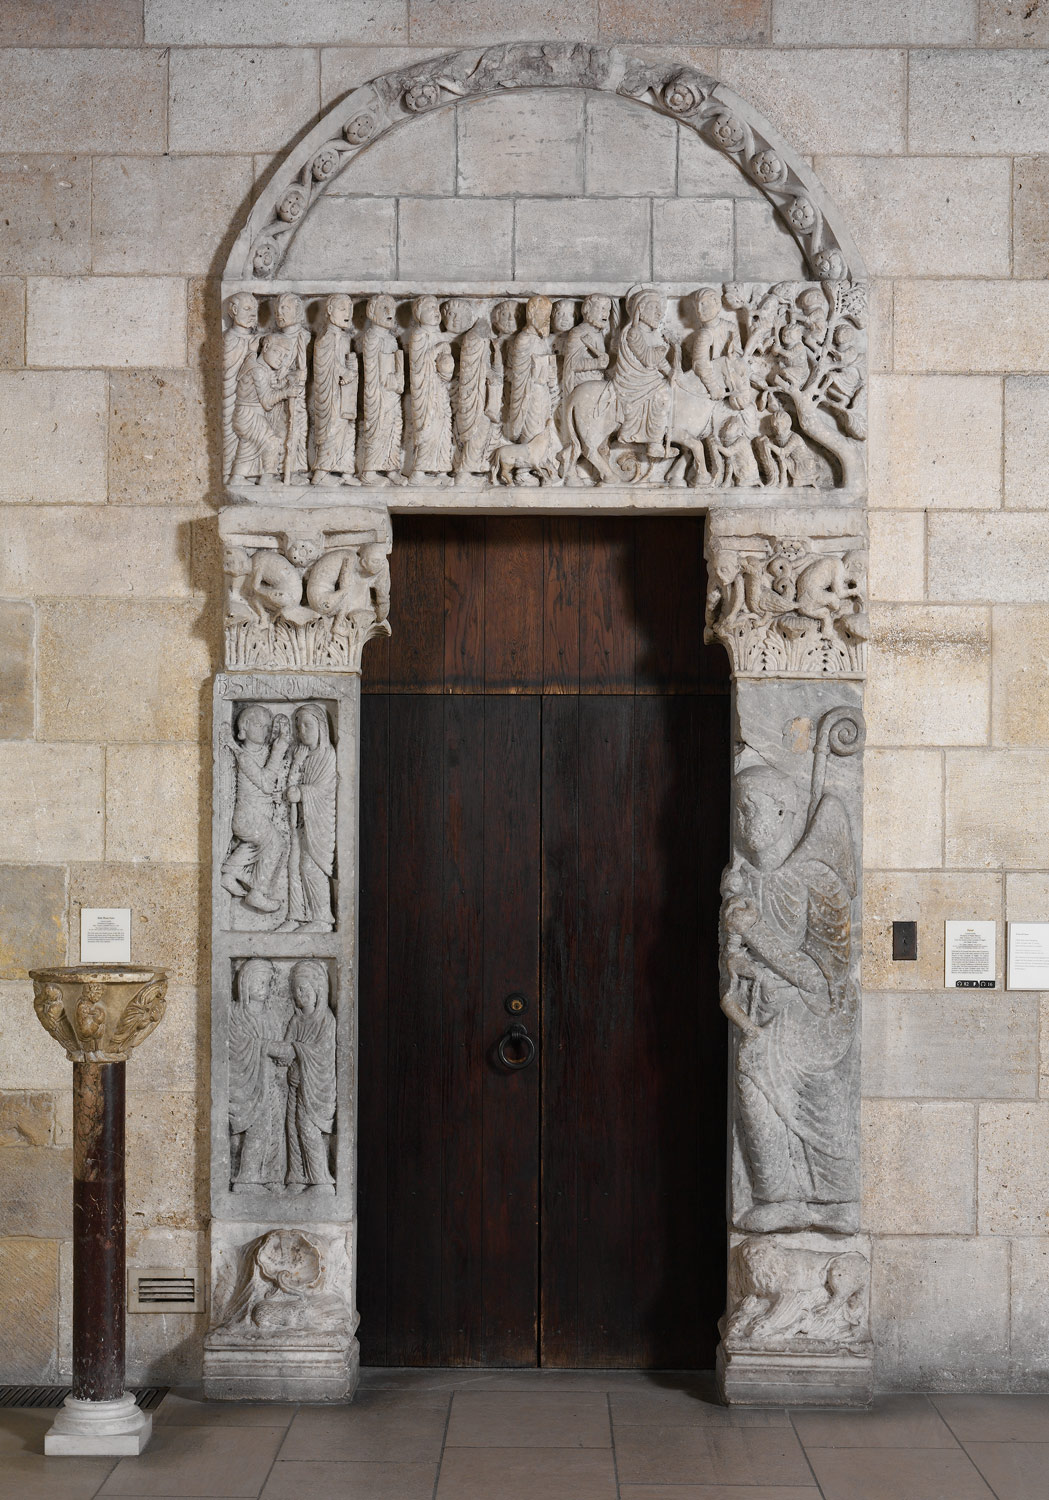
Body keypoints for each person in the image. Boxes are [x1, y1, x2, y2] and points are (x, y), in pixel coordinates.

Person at [720, 761, 859, 1233]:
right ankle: (777, 1196)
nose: (743, 822)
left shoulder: (817, 882)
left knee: (815, 1093)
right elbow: (734, 961)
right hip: (766, 1010)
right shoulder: (741, 879)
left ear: (784, 812)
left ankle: (836, 1198)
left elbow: (823, 979)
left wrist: (754, 931)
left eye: (752, 809)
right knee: (750, 1072)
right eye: (738, 810)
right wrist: (736, 960)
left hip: (814, 1021)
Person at [220, 704, 290, 914]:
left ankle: (229, 873)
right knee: (275, 843)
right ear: (245, 727)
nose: (265, 730)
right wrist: (278, 752)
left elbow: (272, 785)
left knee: (255, 844)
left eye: (267, 726)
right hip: (247, 817)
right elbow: (266, 782)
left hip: (259, 817)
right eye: (260, 725)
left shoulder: (263, 752)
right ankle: (257, 892)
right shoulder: (244, 757)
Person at [229, 958, 286, 1191]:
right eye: (259, 982)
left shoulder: (270, 1015)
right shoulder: (235, 1013)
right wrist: (265, 1047)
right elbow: (236, 1045)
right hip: (249, 1084)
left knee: (275, 1128)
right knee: (259, 1129)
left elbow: (278, 1041)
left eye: (267, 982)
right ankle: (247, 1178)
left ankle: (271, 1176)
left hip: (270, 1081)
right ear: (245, 983)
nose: (264, 987)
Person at [281, 703, 336, 933]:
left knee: (310, 866)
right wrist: (297, 763)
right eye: (298, 725)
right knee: (293, 865)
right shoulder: (299, 753)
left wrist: (302, 792)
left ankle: (322, 919)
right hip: (300, 821)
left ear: (321, 727)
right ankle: (296, 915)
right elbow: (289, 786)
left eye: (308, 725)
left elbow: (323, 790)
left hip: (319, 821)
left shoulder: (328, 755)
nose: (302, 730)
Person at [283, 960, 337, 1193]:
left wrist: (299, 1056)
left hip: (316, 1086)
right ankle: (297, 1177)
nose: (300, 993)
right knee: (293, 1128)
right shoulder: (296, 1020)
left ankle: (320, 1180)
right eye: (296, 989)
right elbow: (286, 1049)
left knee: (307, 1128)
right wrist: (291, 1066)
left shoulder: (326, 1020)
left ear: (318, 989)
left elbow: (323, 1053)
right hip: (296, 1085)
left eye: (304, 988)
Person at [612, 288, 672, 459]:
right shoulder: (633, 332)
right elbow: (649, 358)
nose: (659, 313)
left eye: (661, 309)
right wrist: (667, 346)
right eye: (654, 308)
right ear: (640, 309)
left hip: (649, 378)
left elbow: (659, 361)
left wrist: (671, 372)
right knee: (663, 395)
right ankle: (654, 443)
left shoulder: (653, 333)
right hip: (634, 382)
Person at [310, 293, 359, 486]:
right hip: (331, 392)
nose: (348, 313)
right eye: (342, 308)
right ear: (329, 311)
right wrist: (342, 372)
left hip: (345, 392)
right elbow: (324, 363)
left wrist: (351, 369)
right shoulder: (327, 336)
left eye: (350, 309)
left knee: (347, 428)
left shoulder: (343, 336)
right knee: (332, 428)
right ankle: (321, 473)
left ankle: (346, 471)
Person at [406, 294, 454, 482]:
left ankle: (441, 469)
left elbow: (445, 365)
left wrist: (447, 368)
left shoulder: (438, 335)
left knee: (442, 426)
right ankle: (418, 471)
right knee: (427, 427)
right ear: (418, 314)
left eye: (436, 308)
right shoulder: (418, 335)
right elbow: (417, 364)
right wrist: (437, 349)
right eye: (429, 308)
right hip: (425, 392)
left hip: (440, 389)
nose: (435, 311)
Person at [359, 293, 404, 484]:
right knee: (378, 428)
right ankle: (369, 471)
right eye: (383, 308)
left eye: (391, 308)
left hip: (392, 393)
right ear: (371, 312)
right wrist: (393, 379)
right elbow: (375, 371)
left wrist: (398, 376)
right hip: (378, 393)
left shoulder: (392, 339)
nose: (389, 312)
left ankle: (391, 468)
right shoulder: (371, 338)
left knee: (395, 426)